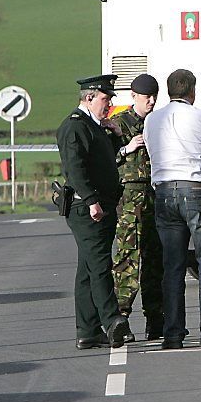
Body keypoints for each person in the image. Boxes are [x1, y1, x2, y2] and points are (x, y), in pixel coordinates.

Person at [143, 68, 201, 349]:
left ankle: (173, 333)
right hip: (196, 191)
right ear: (192, 91)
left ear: (169, 92)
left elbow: (149, 150)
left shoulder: (151, 120)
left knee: (172, 266)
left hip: (164, 193)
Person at [57, 74, 130, 349]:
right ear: (89, 98)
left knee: (87, 269)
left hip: (99, 205)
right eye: (105, 98)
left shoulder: (94, 126)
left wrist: (116, 135)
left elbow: (103, 160)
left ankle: (88, 330)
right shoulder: (74, 127)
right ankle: (112, 321)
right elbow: (75, 169)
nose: (109, 104)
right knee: (100, 265)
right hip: (86, 208)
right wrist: (90, 200)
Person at [107, 73, 163, 342]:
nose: (151, 101)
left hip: (154, 195)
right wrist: (125, 149)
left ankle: (156, 320)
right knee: (128, 260)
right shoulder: (119, 123)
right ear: (134, 97)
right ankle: (121, 320)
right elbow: (105, 160)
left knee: (155, 261)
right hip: (129, 198)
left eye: (154, 96)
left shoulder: (158, 122)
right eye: (146, 97)